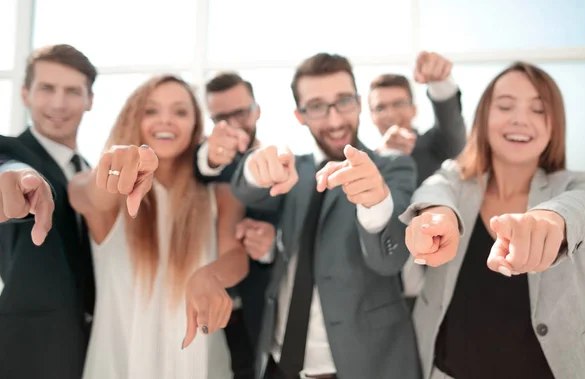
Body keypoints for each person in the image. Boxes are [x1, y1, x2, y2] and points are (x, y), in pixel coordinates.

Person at [400, 62, 585, 379]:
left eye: (538, 110)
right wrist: (438, 215)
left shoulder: (573, 184)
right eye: (505, 106)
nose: (520, 118)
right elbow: (435, 189)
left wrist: (553, 219)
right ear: (484, 118)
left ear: (554, 125)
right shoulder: (455, 177)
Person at [230, 53, 420, 379]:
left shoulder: (392, 166)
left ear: (359, 103)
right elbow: (246, 191)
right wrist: (255, 167)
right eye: (317, 106)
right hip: (278, 362)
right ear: (299, 115)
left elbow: (391, 257)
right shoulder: (294, 169)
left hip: (364, 365)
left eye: (343, 101)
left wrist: (374, 199)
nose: (334, 121)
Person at [68, 75, 249, 379]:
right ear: (133, 117)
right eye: (151, 110)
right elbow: (89, 194)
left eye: (180, 111)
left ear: (195, 125)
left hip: (201, 364)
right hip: (119, 365)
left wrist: (210, 275)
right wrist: (112, 167)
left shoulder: (218, 192)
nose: (166, 120)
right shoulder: (104, 190)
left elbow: (237, 256)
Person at [0, 44, 97, 379]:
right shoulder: (11, 153)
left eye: (72, 91)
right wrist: (21, 183)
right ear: (26, 94)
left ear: (90, 100)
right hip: (31, 356)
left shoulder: (92, 172)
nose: (59, 103)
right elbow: (11, 169)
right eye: (47, 89)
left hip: (95, 351)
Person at [195, 72, 278, 378]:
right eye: (221, 117)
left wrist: (271, 242)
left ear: (257, 110)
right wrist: (212, 157)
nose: (233, 124)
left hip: (259, 308)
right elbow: (202, 166)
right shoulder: (204, 157)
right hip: (202, 308)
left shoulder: (279, 164)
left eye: (241, 112)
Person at [368, 51, 467, 308]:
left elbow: (453, 129)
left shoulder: (437, 145)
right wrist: (384, 157)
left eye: (398, 103)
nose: (390, 113)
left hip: (441, 288)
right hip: (384, 297)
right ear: (371, 116)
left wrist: (440, 81)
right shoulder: (366, 163)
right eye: (380, 107)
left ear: (414, 109)